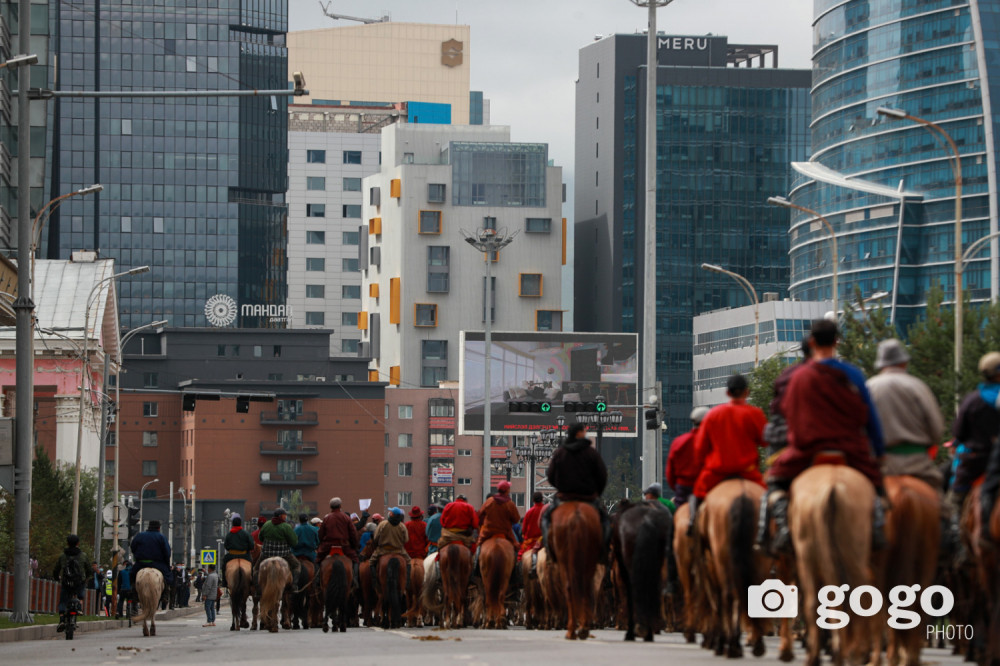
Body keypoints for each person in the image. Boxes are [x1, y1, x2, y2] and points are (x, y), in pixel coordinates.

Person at [763, 318, 886, 554]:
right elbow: (869, 417)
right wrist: (879, 453)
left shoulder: (798, 377)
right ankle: (877, 526)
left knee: (775, 481)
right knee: (876, 485)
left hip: (808, 451)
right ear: (836, 342)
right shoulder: (853, 374)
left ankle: (785, 529)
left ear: (811, 342)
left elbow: (790, 416)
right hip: (850, 450)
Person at [688, 374, 767, 534]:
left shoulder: (713, 415)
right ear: (747, 392)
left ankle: (692, 526)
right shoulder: (755, 414)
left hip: (717, 473)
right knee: (768, 498)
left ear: (728, 393)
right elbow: (765, 441)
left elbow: (699, 449)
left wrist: (701, 464)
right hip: (748, 473)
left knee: (697, 494)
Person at [951, 351, 1000, 546]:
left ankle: (954, 538)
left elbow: (959, 433)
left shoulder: (973, 400)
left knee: (954, 496)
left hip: (976, 461)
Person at [541, 422, 609, 563]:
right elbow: (602, 475)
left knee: (546, 519)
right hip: (588, 498)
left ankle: (550, 552)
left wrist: (561, 488)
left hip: (565, 498)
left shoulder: (560, 452)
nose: (586, 431)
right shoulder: (591, 453)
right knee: (606, 522)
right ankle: (604, 553)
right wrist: (597, 493)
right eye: (584, 430)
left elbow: (551, 475)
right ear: (578, 433)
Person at [666, 406, 710, 506]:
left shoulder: (679, 442)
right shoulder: (715, 442)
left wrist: (677, 488)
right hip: (708, 488)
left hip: (684, 488)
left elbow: (670, 473)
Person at [317, 497, 361, 585]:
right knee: (356, 560)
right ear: (340, 506)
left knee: (317, 560)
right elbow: (353, 533)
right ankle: (354, 580)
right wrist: (354, 545)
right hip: (344, 546)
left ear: (330, 507)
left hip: (328, 546)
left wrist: (322, 543)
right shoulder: (346, 518)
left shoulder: (326, 518)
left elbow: (321, 534)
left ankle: (317, 580)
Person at [369, 507, 410, 591]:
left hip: (383, 550)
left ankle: (375, 583)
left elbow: (376, 538)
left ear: (392, 514)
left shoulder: (383, 524)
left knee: (371, 562)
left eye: (390, 512)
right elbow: (406, 540)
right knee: (409, 562)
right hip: (399, 551)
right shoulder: (402, 526)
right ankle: (407, 583)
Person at [53, 534, 89, 632]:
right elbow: (89, 569)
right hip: (79, 583)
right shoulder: (83, 555)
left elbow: (56, 570)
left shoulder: (63, 556)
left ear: (67, 543)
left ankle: (61, 620)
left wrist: (57, 578)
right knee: (81, 595)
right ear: (78, 543)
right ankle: (79, 607)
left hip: (66, 582)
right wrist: (86, 578)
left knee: (63, 601)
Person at [258, 508, 301, 582]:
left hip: (267, 554)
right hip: (284, 555)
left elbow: (260, 538)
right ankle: (294, 585)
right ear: (280, 516)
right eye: (285, 515)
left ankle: (257, 589)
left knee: (255, 569)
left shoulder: (266, 524)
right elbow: (294, 542)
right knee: (297, 565)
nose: (285, 517)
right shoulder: (286, 526)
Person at [478, 480, 521, 549]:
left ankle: (476, 559)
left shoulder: (489, 501)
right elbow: (516, 519)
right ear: (507, 490)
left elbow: (480, 514)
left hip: (488, 531)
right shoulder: (510, 504)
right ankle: (516, 559)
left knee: (479, 545)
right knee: (516, 546)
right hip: (505, 532)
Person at [130, 520, 172, 589]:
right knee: (168, 578)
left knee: (132, 576)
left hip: (141, 563)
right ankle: (165, 594)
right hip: (157, 564)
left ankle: (133, 593)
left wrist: (137, 556)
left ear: (148, 527)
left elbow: (133, 547)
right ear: (159, 528)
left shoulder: (140, 535)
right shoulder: (161, 537)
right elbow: (167, 552)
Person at [221, 514, 254, 587]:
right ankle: (253, 581)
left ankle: (224, 582)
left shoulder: (229, 534)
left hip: (231, 555)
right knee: (253, 565)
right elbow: (251, 545)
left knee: (224, 565)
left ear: (233, 524)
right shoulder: (246, 533)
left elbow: (226, 546)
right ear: (240, 523)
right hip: (244, 555)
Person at [518, 492, 545, 561]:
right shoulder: (546, 510)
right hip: (544, 540)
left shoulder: (529, 512)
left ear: (533, 500)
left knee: (520, 557)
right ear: (542, 499)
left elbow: (524, 529)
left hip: (531, 542)